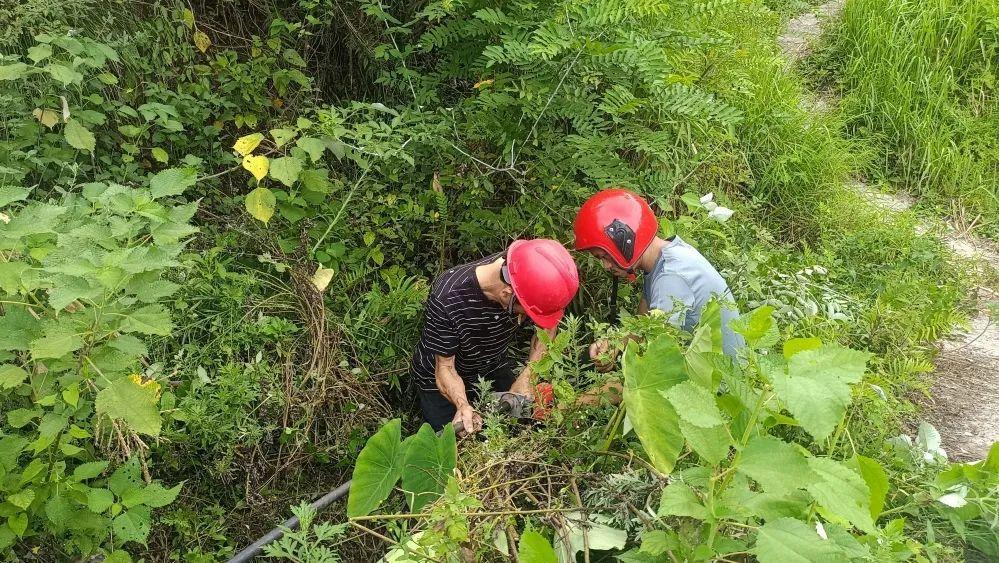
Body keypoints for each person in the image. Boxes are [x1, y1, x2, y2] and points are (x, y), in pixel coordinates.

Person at [410, 239, 579, 433]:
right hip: (439, 375)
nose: (524, 318)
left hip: (493, 363)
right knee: (457, 441)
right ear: (507, 294)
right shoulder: (447, 297)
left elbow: (548, 327)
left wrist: (528, 376)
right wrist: (462, 405)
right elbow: (445, 368)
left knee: (518, 426)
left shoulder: (529, 266)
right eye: (524, 312)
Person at [573, 188, 745, 374]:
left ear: (625, 238)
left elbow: (654, 366)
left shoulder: (671, 278)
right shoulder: (664, 256)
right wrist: (614, 344)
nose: (605, 266)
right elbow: (643, 323)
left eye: (604, 256)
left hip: (720, 386)